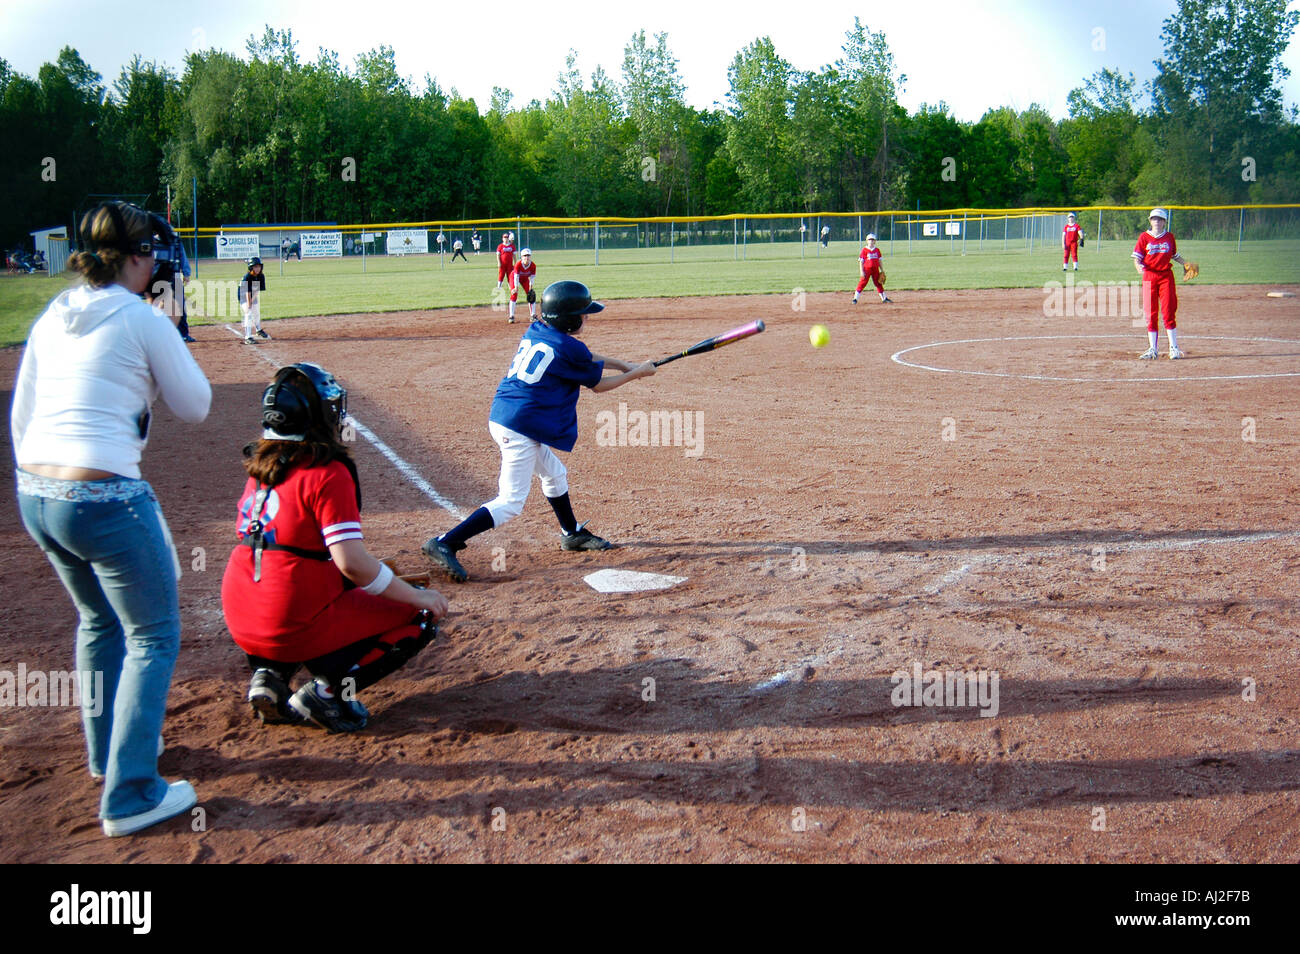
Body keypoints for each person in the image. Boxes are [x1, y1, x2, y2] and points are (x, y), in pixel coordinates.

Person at [11, 200, 212, 836]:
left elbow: (23, 414)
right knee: (153, 636)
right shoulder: (139, 316)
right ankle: (130, 795)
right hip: (103, 498)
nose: (156, 262)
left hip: (36, 494)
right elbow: (196, 405)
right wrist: (171, 324)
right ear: (131, 257)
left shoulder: (54, 312)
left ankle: (108, 756)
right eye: (150, 252)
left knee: (99, 622)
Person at [221, 363, 450, 732]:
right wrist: (413, 595)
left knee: (307, 573)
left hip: (241, 611)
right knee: (419, 614)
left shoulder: (260, 465)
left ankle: (270, 675)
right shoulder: (327, 471)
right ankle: (326, 695)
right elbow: (352, 564)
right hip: (287, 617)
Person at [423, 281, 656, 583]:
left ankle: (571, 534)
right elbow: (598, 385)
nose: (587, 318)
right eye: (583, 314)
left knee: (554, 473)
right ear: (570, 319)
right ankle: (445, 542)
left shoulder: (539, 330)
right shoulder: (569, 347)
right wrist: (637, 374)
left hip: (507, 417)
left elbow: (584, 358)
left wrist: (623, 364)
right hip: (520, 428)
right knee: (510, 502)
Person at [1134, 208, 1192, 360]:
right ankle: (1153, 349)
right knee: (1150, 312)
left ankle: (1174, 348)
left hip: (1166, 277)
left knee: (1168, 310)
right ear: (1150, 221)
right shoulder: (1144, 237)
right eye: (1154, 219)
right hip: (1149, 276)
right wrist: (1138, 266)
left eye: (1160, 219)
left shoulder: (1169, 237)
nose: (1157, 222)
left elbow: (1174, 255)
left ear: (1164, 221)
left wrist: (1185, 263)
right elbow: (1137, 258)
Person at [149, 213, 194, 343]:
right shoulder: (152, 242)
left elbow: (182, 256)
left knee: (180, 306)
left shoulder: (175, 241)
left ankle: (183, 334)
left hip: (174, 276)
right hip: (158, 277)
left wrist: (186, 273)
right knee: (158, 306)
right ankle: (156, 334)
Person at [239, 257, 270, 344]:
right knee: (248, 313)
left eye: (259, 266)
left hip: (253, 295)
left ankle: (258, 330)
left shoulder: (261, 276)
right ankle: (248, 337)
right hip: (243, 296)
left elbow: (257, 290)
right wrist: (249, 303)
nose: (257, 268)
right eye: (255, 267)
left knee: (256, 312)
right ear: (251, 268)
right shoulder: (247, 277)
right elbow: (247, 292)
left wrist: (252, 300)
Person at [853, 234, 891, 304]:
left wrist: (882, 270)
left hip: (875, 270)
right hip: (867, 269)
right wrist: (861, 271)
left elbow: (880, 261)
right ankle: (855, 298)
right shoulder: (864, 250)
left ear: (875, 241)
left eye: (873, 240)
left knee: (878, 283)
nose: (871, 241)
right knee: (862, 283)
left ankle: (884, 298)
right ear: (867, 241)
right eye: (869, 239)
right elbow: (861, 261)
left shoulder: (877, 250)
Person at [508, 248, 537, 323]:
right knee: (514, 294)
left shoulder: (533, 265)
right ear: (521, 257)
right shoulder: (518, 264)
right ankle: (511, 316)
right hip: (514, 277)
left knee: (531, 295)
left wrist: (530, 288)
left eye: (528, 255)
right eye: (524, 256)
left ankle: (533, 315)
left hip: (524, 279)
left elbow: (532, 278)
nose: (526, 257)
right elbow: (516, 277)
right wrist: (515, 288)